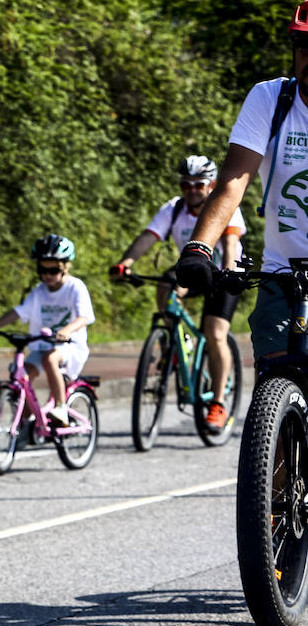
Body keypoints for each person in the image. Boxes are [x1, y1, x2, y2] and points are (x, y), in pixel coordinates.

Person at [176, 0, 308, 367]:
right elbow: (234, 181)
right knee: (273, 374)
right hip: (284, 270)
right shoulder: (271, 99)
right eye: (304, 47)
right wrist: (200, 247)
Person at [111, 155, 245, 429]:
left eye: (199, 184)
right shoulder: (174, 209)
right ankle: (174, 339)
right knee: (165, 285)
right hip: (194, 269)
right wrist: (126, 263)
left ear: (212, 185)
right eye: (186, 185)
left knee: (215, 332)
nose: (192, 190)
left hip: (225, 270)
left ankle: (218, 404)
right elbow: (148, 237)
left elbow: (230, 244)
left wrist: (228, 272)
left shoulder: (224, 203)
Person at [0, 235, 95, 425]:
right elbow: (18, 312)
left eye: (53, 270)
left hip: (70, 347)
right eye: (42, 269)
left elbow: (84, 317)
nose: (47, 275)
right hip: (41, 346)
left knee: (50, 358)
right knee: (19, 375)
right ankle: (26, 421)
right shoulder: (39, 291)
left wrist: (66, 331)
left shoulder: (75, 287)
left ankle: (60, 407)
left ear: (66, 267)